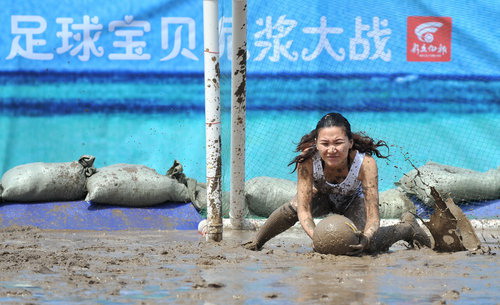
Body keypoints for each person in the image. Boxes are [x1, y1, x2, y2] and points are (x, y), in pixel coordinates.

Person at [243, 112, 431, 254]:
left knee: (365, 246)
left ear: (350, 142)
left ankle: (406, 227)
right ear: (316, 144)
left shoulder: (365, 164)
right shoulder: (306, 160)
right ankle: (257, 241)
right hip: (322, 198)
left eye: (338, 143)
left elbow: (373, 216)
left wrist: (365, 238)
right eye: (325, 144)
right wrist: (318, 238)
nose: (332, 150)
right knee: (292, 207)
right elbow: (303, 210)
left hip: (352, 202)